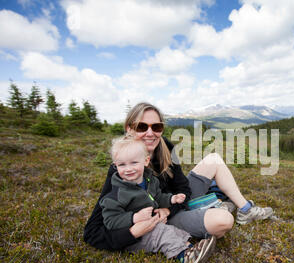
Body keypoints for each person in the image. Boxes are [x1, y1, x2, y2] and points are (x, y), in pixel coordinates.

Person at [83, 102, 273, 252]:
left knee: (213, 159)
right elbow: (92, 232)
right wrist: (133, 231)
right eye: (142, 126)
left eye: (156, 127)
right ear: (129, 129)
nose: (150, 133)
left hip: (173, 204)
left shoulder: (165, 147)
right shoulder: (122, 168)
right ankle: (217, 203)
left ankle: (245, 209)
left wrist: (170, 207)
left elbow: (183, 188)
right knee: (223, 221)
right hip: (162, 220)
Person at [100, 134, 216, 263]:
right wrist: (133, 217)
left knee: (171, 230)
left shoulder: (150, 180)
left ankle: (190, 248)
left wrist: (171, 199)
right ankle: (185, 257)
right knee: (162, 234)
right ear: (115, 166)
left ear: (145, 161)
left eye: (134, 163)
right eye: (122, 164)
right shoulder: (116, 195)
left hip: (153, 224)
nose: (128, 169)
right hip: (135, 237)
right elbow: (110, 221)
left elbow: (157, 197)